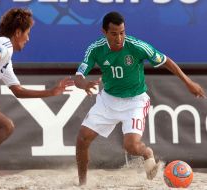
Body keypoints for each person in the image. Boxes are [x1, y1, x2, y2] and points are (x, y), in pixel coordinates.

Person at [74, 11, 206, 186]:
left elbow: (166, 60)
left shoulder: (137, 46)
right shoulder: (95, 49)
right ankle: (82, 184)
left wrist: (188, 82)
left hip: (135, 101)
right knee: (82, 139)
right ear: (104, 32)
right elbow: (78, 76)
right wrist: (84, 85)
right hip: (108, 100)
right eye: (114, 34)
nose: (119, 38)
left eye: (122, 33)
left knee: (131, 146)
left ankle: (147, 154)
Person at [0, 7, 74, 176]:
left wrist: (51, 92)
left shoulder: (6, 61)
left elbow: (18, 90)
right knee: (5, 126)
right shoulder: (5, 44)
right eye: (28, 33)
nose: (28, 38)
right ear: (18, 32)